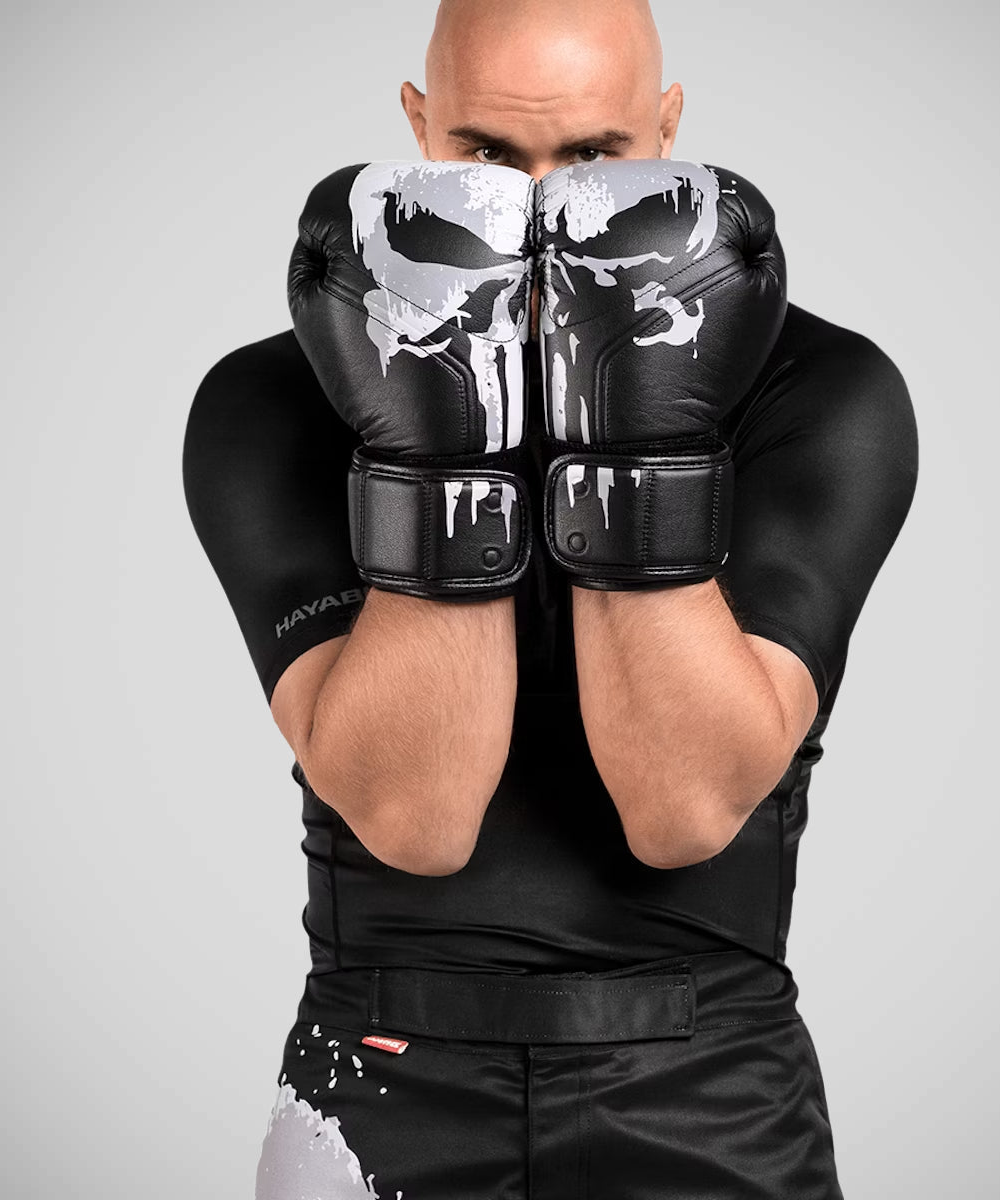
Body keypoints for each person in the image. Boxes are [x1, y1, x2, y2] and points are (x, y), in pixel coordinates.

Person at [182, 1, 919, 1195]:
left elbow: (682, 810)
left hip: (709, 1082)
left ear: (667, 133)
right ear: (416, 128)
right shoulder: (274, 400)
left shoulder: (818, 389)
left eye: (591, 157)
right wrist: (442, 433)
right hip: (380, 1076)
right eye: (483, 155)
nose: (534, 216)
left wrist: (637, 418)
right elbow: (418, 821)